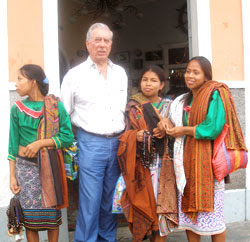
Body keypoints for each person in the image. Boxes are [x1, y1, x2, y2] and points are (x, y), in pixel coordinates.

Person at [158, 56, 247, 242]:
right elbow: (170, 118)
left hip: (207, 164)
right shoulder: (183, 99)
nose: (190, 76)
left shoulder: (215, 93)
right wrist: (165, 121)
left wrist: (184, 130)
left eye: (196, 72)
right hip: (185, 164)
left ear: (206, 76)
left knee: (215, 221)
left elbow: (213, 127)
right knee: (191, 220)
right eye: (188, 71)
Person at [60, 23, 128, 242]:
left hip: (117, 142)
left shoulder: (120, 73)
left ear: (111, 44)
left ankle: (107, 239)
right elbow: (64, 114)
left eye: (106, 40)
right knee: (90, 201)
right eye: (97, 40)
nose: (102, 44)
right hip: (89, 142)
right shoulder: (74, 75)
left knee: (111, 200)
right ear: (88, 44)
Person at [8, 64, 74, 242]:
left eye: (20, 79)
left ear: (33, 82)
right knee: (30, 220)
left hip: (50, 168)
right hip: (25, 170)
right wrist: (12, 176)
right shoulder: (17, 109)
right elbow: (12, 145)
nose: (16, 83)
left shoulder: (55, 106)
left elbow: (67, 137)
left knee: (52, 218)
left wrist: (40, 143)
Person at [117, 65, 178, 242]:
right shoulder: (133, 107)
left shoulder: (170, 107)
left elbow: (179, 132)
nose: (148, 84)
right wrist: (134, 136)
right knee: (144, 207)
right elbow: (122, 135)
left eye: (153, 80)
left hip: (164, 167)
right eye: (145, 80)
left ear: (162, 85)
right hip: (140, 166)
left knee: (161, 211)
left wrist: (168, 128)